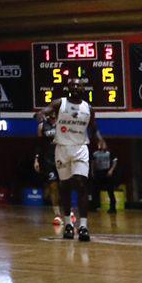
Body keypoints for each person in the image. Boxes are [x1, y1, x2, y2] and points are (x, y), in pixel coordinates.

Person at [41, 86, 101, 242]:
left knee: (81, 183)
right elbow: (45, 110)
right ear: (68, 88)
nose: (75, 88)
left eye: (78, 86)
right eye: (72, 86)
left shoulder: (88, 108)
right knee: (65, 186)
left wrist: (100, 138)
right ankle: (67, 224)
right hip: (62, 148)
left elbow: (93, 128)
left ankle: (83, 226)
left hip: (80, 148)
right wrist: (41, 115)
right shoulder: (60, 103)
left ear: (83, 89)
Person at [90, 143, 119, 213]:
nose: (101, 146)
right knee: (95, 190)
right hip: (98, 172)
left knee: (110, 190)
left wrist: (111, 170)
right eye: (99, 144)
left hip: (107, 172)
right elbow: (92, 163)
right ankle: (95, 206)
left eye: (102, 144)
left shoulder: (109, 153)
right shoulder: (95, 154)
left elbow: (115, 161)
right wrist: (92, 172)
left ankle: (112, 207)